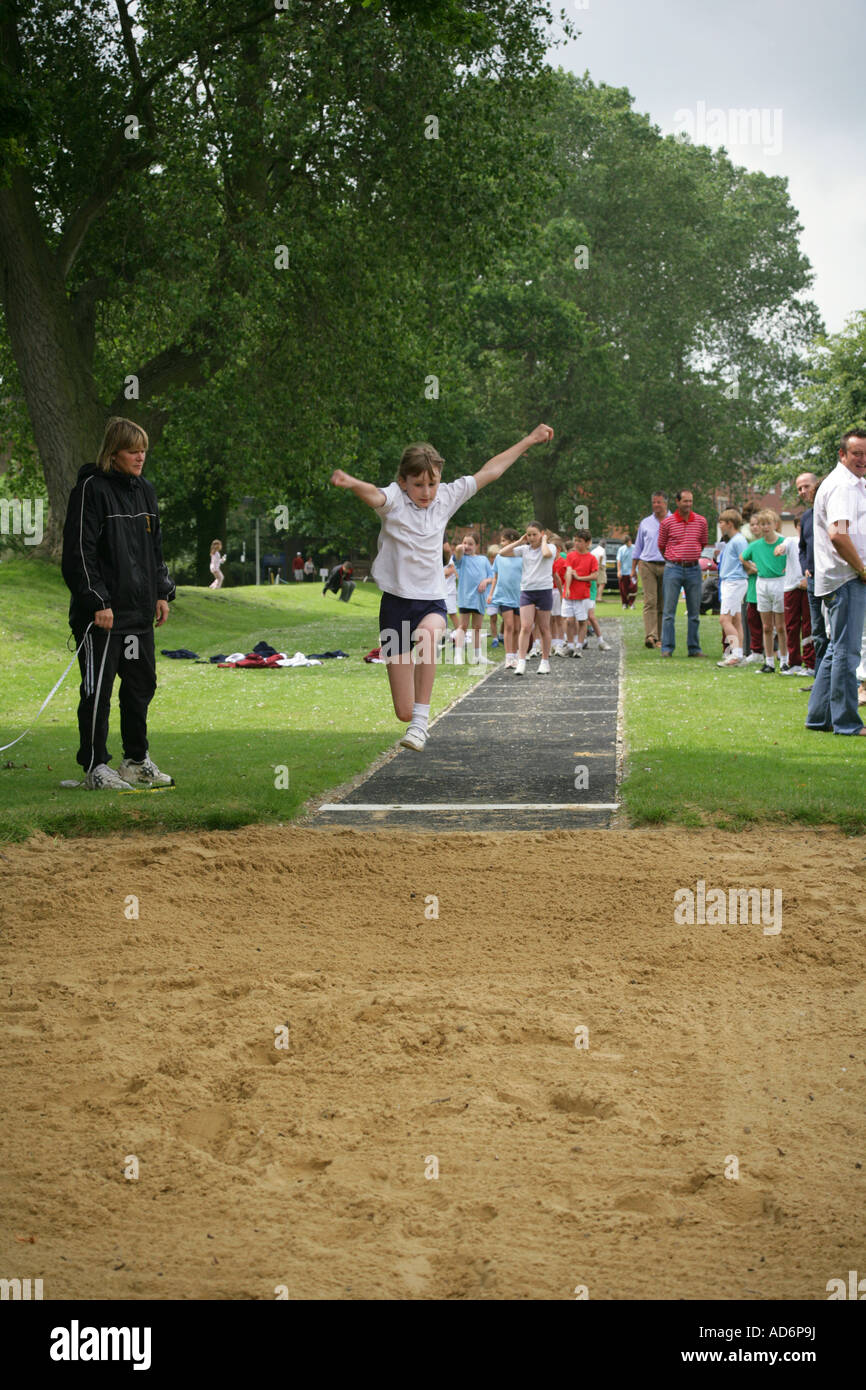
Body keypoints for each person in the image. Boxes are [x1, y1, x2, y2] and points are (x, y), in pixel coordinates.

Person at [329, 423, 554, 749]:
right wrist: (350, 483)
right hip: (395, 604)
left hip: (431, 600)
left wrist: (529, 440)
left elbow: (491, 471)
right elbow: (373, 494)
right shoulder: (393, 500)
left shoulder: (446, 497)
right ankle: (413, 719)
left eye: (432, 483)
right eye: (418, 484)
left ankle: (421, 726)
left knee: (429, 635)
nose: (426, 492)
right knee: (403, 710)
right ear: (403, 481)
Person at [61, 416, 175, 790]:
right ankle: (95, 767)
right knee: (98, 692)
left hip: (138, 617)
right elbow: (80, 554)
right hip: (103, 619)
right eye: (133, 451)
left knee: (141, 686)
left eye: (144, 450)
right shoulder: (90, 491)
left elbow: (154, 548)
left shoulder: (145, 491)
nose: (140, 457)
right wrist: (98, 601)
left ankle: (136, 761)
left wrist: (162, 591)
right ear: (113, 453)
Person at [805, 427, 866, 736]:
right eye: (857, 453)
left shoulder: (852, 484)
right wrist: (863, 570)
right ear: (842, 455)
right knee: (847, 652)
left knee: (835, 649)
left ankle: (818, 716)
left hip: (839, 577)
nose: (863, 459)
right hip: (846, 577)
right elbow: (838, 535)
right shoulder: (842, 486)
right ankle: (847, 723)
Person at [497, 523, 557, 675]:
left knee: (544, 627)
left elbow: (546, 554)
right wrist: (519, 541)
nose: (531, 538)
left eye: (534, 534)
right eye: (528, 535)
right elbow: (502, 553)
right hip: (527, 591)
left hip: (543, 590)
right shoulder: (524, 549)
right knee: (525, 626)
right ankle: (521, 661)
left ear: (542, 534)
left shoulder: (551, 547)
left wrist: (543, 541)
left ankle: (545, 661)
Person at [658, 489, 708, 657]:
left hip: (694, 568)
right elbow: (662, 545)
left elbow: (702, 543)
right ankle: (667, 648)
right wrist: (674, 558)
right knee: (668, 612)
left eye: (690, 501)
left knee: (694, 612)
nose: (688, 504)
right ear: (677, 502)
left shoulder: (701, 521)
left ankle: (694, 648)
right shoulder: (667, 523)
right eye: (685, 501)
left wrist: (690, 555)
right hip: (673, 568)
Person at [741, 510, 790, 673]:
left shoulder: (784, 542)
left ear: (775, 524)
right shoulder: (755, 545)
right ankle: (769, 661)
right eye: (762, 524)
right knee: (767, 626)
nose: (766, 527)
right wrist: (751, 566)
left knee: (781, 626)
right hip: (763, 583)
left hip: (779, 582)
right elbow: (743, 557)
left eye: (768, 523)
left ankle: (785, 659)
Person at [796, 472, 826, 687]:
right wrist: (805, 568)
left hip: (834, 579)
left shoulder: (832, 512)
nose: (804, 491)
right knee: (818, 632)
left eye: (806, 486)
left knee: (835, 633)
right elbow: (802, 548)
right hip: (813, 581)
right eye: (799, 488)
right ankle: (821, 681)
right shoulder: (806, 517)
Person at [632, 492, 669, 647]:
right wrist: (632, 568)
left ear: (666, 503)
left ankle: (660, 637)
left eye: (659, 502)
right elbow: (638, 546)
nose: (656, 505)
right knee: (650, 601)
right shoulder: (645, 523)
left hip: (667, 564)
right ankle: (650, 636)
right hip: (647, 564)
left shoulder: (674, 521)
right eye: (654, 502)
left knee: (663, 602)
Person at [776, 518, 812, 676]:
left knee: (808, 626)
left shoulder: (812, 541)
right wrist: (779, 549)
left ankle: (810, 663)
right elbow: (782, 546)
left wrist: (807, 579)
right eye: (799, 526)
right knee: (791, 626)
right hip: (791, 588)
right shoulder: (791, 540)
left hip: (807, 587)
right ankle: (794, 662)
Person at [453, 533, 493, 665]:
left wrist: (485, 581)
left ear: (476, 545)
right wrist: (461, 547)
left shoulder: (483, 560)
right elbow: (458, 551)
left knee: (477, 627)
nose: (467, 546)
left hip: (479, 598)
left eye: (470, 544)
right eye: (465, 543)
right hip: (466, 597)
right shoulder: (461, 559)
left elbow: (492, 577)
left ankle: (478, 655)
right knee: (463, 625)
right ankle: (458, 655)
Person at [715, 509, 748, 667]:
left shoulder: (738, 541)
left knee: (724, 619)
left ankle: (735, 654)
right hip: (731, 582)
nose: (720, 526)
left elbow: (745, 559)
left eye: (721, 522)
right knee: (735, 620)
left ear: (729, 524)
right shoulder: (733, 541)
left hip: (734, 582)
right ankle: (739, 653)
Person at [488, 528, 523, 668]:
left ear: (513, 541)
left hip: (519, 596)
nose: (501, 543)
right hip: (504, 596)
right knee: (509, 625)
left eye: (504, 540)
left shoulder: (521, 557)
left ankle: (515, 655)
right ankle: (508, 657)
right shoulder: (499, 557)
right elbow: (495, 577)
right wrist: (491, 594)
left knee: (517, 627)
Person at [563, 530, 598, 654]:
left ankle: (579, 646)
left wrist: (580, 578)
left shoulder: (592, 558)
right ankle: (570, 645)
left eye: (580, 541)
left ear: (587, 543)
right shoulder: (571, 556)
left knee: (582, 621)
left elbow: (595, 576)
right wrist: (567, 588)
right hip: (569, 594)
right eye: (575, 540)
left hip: (583, 594)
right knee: (569, 621)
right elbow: (568, 571)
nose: (576, 543)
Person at [485, 543, 502, 647]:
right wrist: (489, 580)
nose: (493, 559)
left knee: (506, 616)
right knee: (493, 618)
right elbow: (487, 578)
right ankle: (495, 638)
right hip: (491, 596)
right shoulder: (488, 567)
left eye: (495, 557)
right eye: (491, 557)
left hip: (502, 595)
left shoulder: (502, 565)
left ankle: (501, 635)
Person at [616, 535, 636, 608]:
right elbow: (619, 560)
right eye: (626, 543)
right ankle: (624, 603)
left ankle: (631, 603)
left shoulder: (635, 548)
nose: (628, 544)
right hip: (623, 572)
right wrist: (619, 571)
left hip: (633, 572)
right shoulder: (621, 549)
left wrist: (634, 570)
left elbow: (637, 559)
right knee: (623, 589)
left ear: (630, 541)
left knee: (633, 588)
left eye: (628, 542)